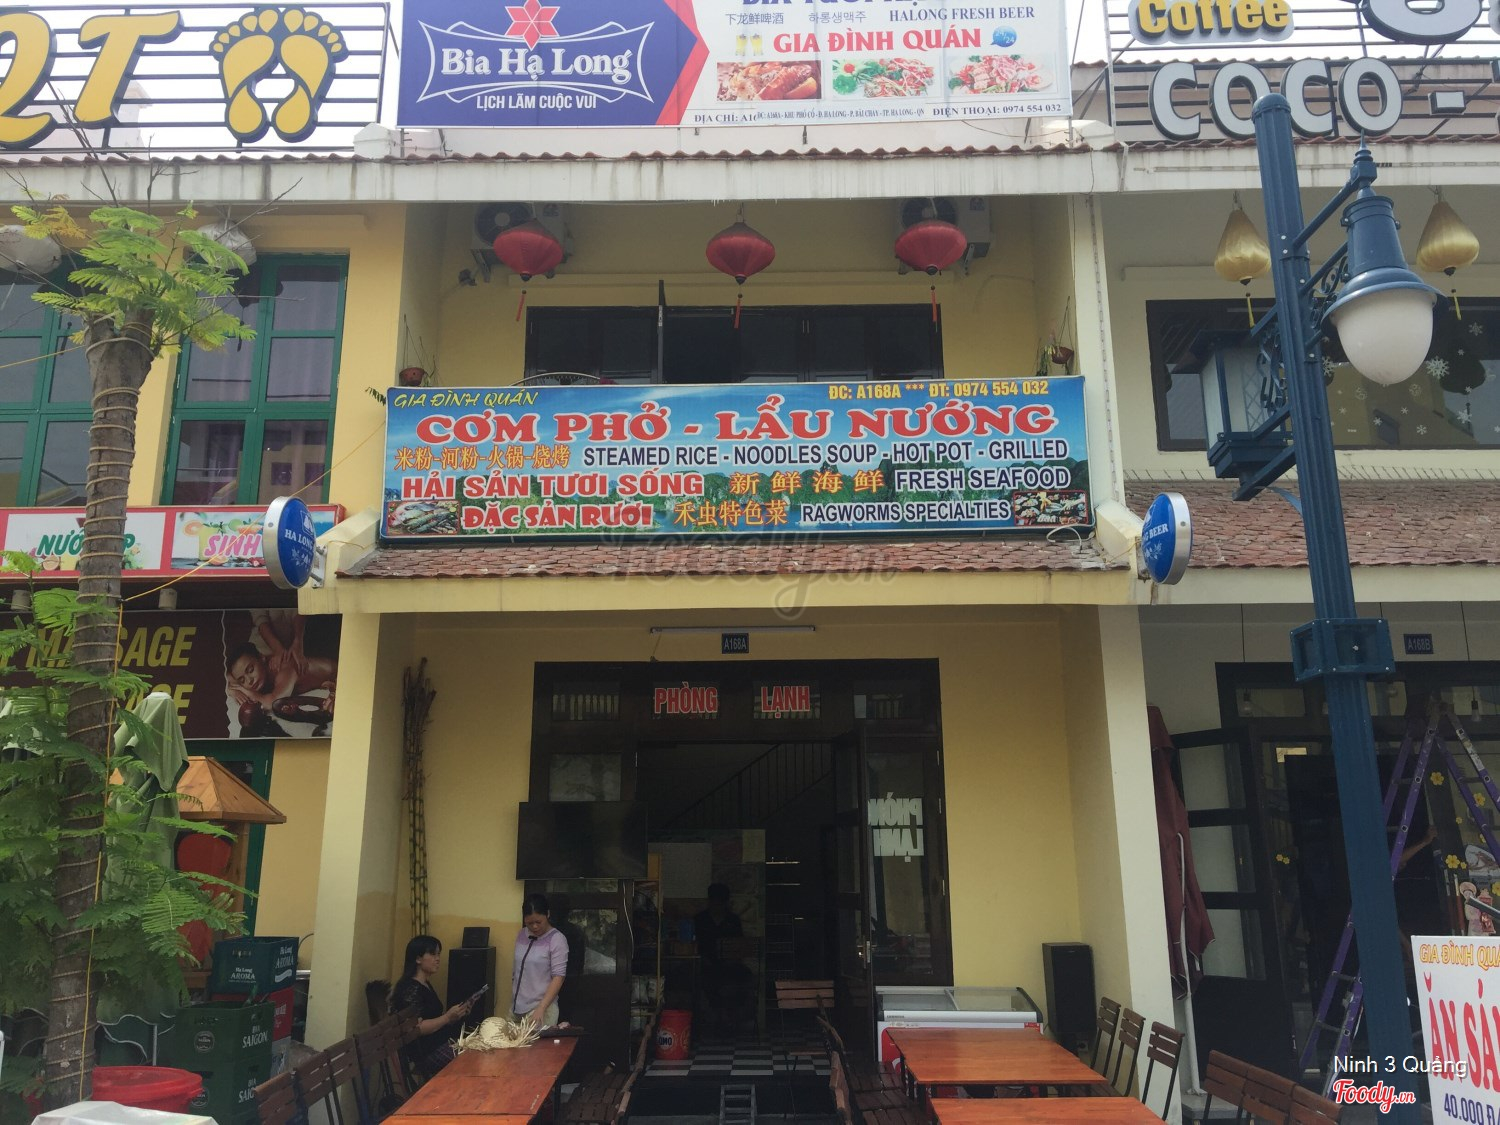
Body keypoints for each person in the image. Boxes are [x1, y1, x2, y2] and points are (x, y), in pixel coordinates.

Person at [390, 935, 473, 1079]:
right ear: (418, 959)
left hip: (440, 1042)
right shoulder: (409, 988)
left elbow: (434, 1018)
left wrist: (456, 1015)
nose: (438, 959)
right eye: (433, 954)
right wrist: (447, 1017)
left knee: (479, 1051)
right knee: (470, 1062)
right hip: (427, 1051)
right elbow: (417, 1028)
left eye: (438, 954)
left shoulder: (425, 984)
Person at [695, 883, 751, 1034]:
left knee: (742, 978)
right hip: (707, 965)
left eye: (720, 903)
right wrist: (704, 959)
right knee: (709, 979)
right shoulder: (700, 919)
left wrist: (732, 959)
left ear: (726, 903)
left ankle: (727, 1017)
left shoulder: (733, 920)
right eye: (714, 902)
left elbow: (739, 946)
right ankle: (723, 1017)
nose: (717, 906)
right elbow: (695, 946)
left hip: (729, 966)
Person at [512, 894, 568, 1026]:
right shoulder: (521, 934)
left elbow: (559, 977)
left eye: (538, 922)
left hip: (542, 1009)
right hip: (517, 1007)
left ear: (547, 914)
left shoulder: (557, 939)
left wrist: (541, 1008)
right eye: (529, 923)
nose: (535, 927)